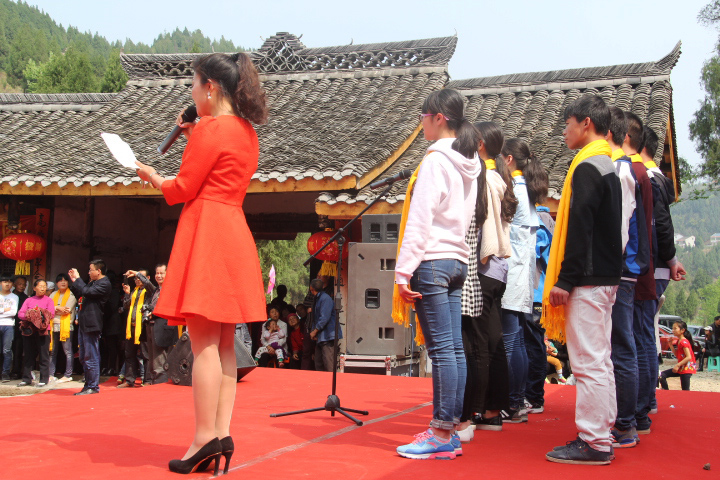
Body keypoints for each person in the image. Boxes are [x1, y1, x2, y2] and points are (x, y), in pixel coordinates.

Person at [135, 51, 268, 475]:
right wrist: (195, 134)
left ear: (209, 87)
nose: (192, 92)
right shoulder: (246, 131)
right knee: (225, 343)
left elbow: (182, 188)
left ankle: (203, 438)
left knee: (203, 343)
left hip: (207, 231)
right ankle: (221, 433)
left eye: (193, 84)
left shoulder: (211, 129)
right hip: (232, 228)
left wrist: (153, 176)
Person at [393, 89, 480, 460]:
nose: (421, 123)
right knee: (454, 350)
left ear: (439, 117)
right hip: (457, 260)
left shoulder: (435, 160)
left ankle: (442, 432)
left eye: (423, 116)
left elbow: (420, 219)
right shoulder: (470, 161)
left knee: (442, 351)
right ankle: (450, 430)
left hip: (431, 260)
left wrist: (402, 271)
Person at [543, 95, 622, 465]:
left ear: (585, 123)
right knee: (600, 360)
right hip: (604, 275)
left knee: (588, 363)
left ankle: (594, 441)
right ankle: (603, 431)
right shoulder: (607, 162)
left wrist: (566, 279)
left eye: (568, 124)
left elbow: (580, 228)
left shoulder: (588, 165)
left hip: (588, 279)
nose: (564, 132)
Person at [462, 122, 515, 432]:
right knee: (494, 340)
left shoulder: (483, 178)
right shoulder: (500, 177)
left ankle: (475, 409)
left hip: (481, 269)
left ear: (479, 144)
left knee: (478, 343)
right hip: (498, 270)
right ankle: (495, 409)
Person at [606, 107, 650, 449]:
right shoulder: (631, 170)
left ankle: (625, 424)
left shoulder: (622, 170)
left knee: (622, 344)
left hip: (620, 268)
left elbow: (620, 229)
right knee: (624, 342)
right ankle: (627, 420)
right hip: (627, 267)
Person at [638, 125, 687, 431]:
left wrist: (670, 259)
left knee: (641, 333)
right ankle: (647, 399)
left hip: (651, 267)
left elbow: (662, 227)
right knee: (646, 332)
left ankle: (643, 402)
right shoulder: (656, 178)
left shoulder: (649, 178)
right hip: (657, 266)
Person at [499, 137, 548, 422]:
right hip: (523, 275)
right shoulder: (526, 190)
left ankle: (513, 402)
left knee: (511, 342)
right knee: (517, 341)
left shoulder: (514, 191)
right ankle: (517, 401)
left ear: (508, 160)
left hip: (511, 273)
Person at [524, 204, 554, 413]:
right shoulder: (548, 220)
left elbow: (533, 254)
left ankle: (533, 396)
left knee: (532, 344)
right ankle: (533, 395)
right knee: (535, 344)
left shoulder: (538, 223)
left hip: (533, 291)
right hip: (540, 292)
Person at [68, 259, 112, 395]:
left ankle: (93, 386)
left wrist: (78, 279)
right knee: (83, 356)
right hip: (84, 322)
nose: (88, 272)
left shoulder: (104, 283)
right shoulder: (93, 282)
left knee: (90, 355)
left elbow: (86, 292)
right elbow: (81, 294)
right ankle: (88, 384)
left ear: (98, 271)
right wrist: (75, 281)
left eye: (91, 270)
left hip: (92, 323)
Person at [119, 269, 155, 388]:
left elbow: (148, 284)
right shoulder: (134, 291)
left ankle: (147, 380)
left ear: (147, 278)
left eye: (140, 277)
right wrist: (127, 293)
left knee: (146, 355)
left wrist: (136, 273)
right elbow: (126, 306)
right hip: (132, 327)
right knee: (129, 354)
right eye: (136, 278)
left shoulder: (150, 291)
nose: (137, 279)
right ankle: (130, 380)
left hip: (143, 326)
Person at [17, 279, 54, 387]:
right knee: (28, 354)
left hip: (43, 331)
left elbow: (51, 314)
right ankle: (26, 379)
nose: (43, 288)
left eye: (44, 286)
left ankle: (44, 379)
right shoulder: (29, 300)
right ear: (34, 288)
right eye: (40, 286)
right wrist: (31, 315)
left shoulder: (49, 300)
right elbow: (20, 314)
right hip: (29, 331)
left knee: (44, 355)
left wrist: (39, 314)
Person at [49, 273, 77, 383]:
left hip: (66, 326)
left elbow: (67, 310)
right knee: (52, 351)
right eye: (60, 280)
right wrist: (58, 308)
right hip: (53, 325)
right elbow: (48, 309)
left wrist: (54, 308)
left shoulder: (71, 295)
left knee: (68, 351)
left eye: (65, 280)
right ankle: (50, 374)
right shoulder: (53, 294)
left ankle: (68, 374)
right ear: (57, 283)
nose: (63, 282)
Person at [308, 278, 340, 372]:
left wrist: (315, 331)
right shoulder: (319, 298)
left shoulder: (325, 298)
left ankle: (330, 380)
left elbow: (324, 318)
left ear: (312, 288)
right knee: (318, 362)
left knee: (328, 362)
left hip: (328, 335)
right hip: (321, 336)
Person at [659, 321, 696, 390]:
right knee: (662, 375)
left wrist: (677, 365)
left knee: (685, 391)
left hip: (686, 368)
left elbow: (688, 357)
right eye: (672, 328)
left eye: (675, 328)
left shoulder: (683, 342)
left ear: (682, 330)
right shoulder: (678, 341)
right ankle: (666, 392)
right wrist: (670, 345)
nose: (673, 330)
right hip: (681, 367)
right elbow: (677, 355)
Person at [0, 274, 19, 382]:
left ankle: (5, 373)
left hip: (9, 325)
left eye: (9, 282)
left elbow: (13, 312)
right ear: (0, 283)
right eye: (4, 281)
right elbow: (8, 311)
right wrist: (4, 310)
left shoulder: (14, 297)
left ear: (12, 284)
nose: (7, 284)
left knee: (7, 350)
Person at [10, 276, 28, 379]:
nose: (22, 286)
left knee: (18, 351)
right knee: (5, 350)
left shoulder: (26, 298)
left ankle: (16, 372)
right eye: (19, 284)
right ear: (14, 285)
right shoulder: (9, 296)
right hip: (8, 325)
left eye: (24, 285)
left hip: (19, 328)